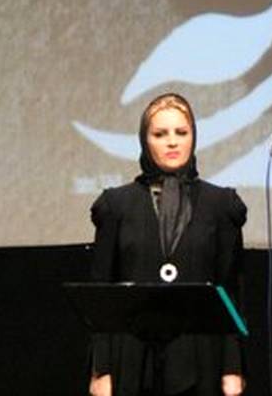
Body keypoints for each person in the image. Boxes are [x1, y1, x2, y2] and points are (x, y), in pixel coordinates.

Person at [88, 93, 247, 396]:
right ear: (144, 140)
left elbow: (230, 291)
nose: (172, 142)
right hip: (132, 355)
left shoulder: (220, 204)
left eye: (181, 132)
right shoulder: (117, 205)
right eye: (160, 134)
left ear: (193, 137)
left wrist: (232, 367)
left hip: (202, 353)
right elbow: (102, 293)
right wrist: (101, 369)